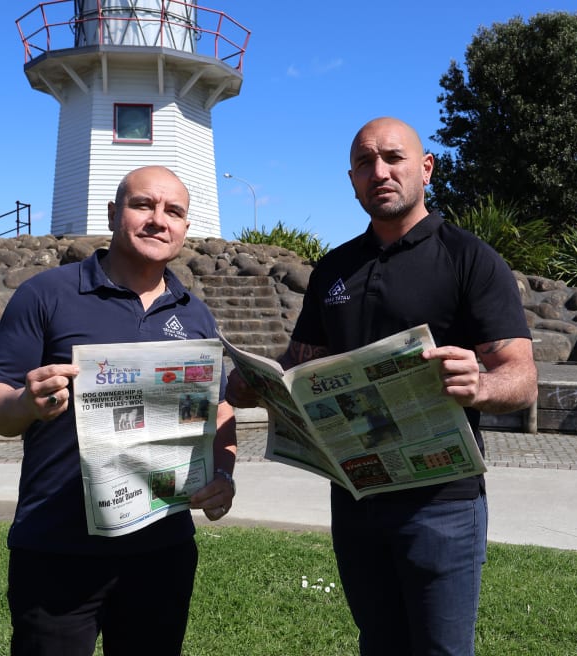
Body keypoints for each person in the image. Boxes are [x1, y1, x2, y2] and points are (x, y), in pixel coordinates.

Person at [226, 117, 538, 656]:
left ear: (426, 168)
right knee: (378, 644)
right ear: (352, 179)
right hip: (355, 493)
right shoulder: (334, 268)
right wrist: (259, 381)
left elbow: (523, 377)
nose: (380, 172)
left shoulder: (471, 259)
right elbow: (301, 363)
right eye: (365, 163)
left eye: (393, 158)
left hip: (442, 501)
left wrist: (481, 385)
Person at [0, 165, 237, 656]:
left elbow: (218, 408)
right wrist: (25, 403)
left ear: (184, 227)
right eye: (144, 205)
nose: (159, 220)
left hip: (163, 550)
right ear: (114, 213)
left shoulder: (196, 314)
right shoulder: (47, 294)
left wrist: (223, 471)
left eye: (174, 212)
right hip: (56, 546)